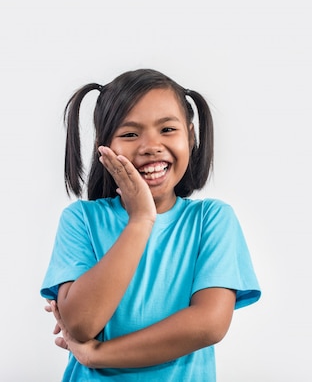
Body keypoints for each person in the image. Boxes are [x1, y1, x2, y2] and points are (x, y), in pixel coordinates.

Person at [40, 68, 261, 381]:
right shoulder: (81, 219)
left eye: (167, 129)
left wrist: (96, 354)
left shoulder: (211, 220)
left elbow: (209, 324)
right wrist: (141, 220)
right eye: (130, 134)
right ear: (104, 148)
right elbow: (80, 324)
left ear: (191, 135)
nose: (150, 146)